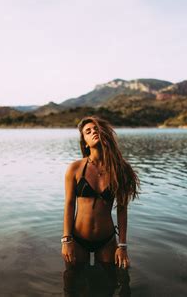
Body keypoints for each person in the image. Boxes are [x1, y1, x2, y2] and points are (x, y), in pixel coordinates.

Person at [61, 116, 140, 271]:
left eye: (96, 129)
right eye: (88, 131)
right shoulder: (75, 169)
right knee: (72, 285)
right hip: (78, 240)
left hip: (107, 240)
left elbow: (122, 209)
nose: (93, 132)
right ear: (84, 142)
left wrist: (122, 245)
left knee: (109, 285)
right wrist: (66, 240)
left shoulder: (119, 170)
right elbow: (69, 204)